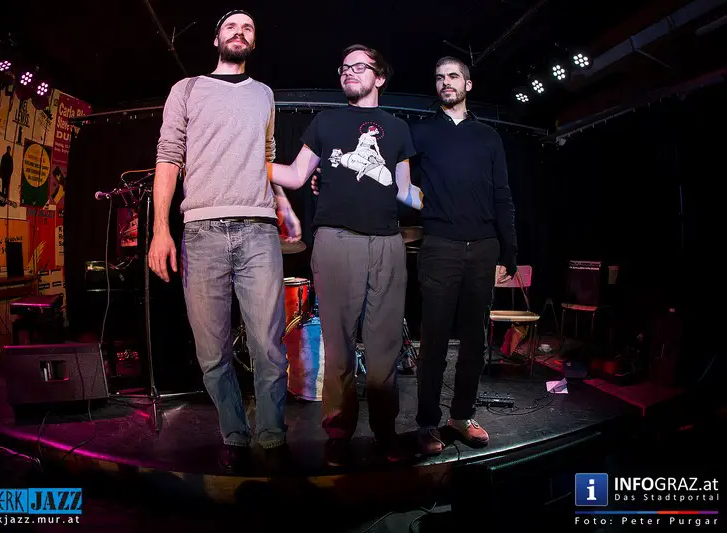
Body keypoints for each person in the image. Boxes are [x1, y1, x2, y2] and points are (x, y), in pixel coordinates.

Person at [149, 9, 301, 473]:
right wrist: (160, 229)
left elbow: (267, 156)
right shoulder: (187, 89)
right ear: (217, 38)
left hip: (258, 230)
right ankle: (234, 434)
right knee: (212, 352)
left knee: (268, 347)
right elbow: (168, 157)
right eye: (231, 26)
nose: (240, 31)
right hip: (201, 232)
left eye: (248, 27)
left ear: (253, 42)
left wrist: (283, 204)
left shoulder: (264, 94)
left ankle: (272, 437)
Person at [268, 44, 422, 467]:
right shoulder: (326, 121)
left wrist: (449, 202)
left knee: (384, 350)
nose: (349, 72)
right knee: (338, 350)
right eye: (344, 68)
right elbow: (296, 175)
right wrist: (250, 161)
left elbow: (404, 191)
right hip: (336, 241)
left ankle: (386, 433)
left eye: (359, 66)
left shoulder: (398, 127)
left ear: (380, 77)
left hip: (388, 244)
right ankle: (338, 433)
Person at [411, 56, 518, 455]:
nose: (446, 82)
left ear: (467, 85)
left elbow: (502, 194)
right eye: (440, 77)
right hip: (440, 245)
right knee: (434, 342)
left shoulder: (488, 136)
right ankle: (427, 423)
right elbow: (392, 177)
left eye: (453, 76)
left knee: (475, 341)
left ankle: (461, 416)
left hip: (484, 247)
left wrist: (509, 251)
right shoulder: (421, 132)